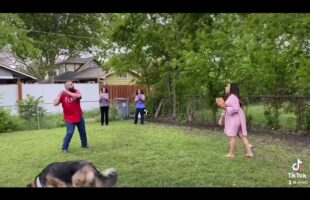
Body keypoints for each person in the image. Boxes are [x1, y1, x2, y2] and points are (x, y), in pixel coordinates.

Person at [216, 83, 254, 159]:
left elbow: (235, 108)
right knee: (242, 136)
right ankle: (249, 152)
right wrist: (222, 116)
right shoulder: (232, 97)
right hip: (237, 119)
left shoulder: (232, 97)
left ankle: (231, 154)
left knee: (233, 136)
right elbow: (226, 108)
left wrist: (224, 107)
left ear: (232, 89)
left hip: (235, 120)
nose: (226, 87)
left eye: (228, 86)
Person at [53, 81, 88, 154]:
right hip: (69, 118)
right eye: (71, 84)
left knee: (82, 131)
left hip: (78, 116)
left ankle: (84, 145)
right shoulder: (62, 95)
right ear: (67, 86)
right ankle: (64, 148)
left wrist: (67, 92)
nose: (73, 85)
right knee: (70, 132)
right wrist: (59, 95)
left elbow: (79, 96)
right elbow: (55, 104)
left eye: (73, 84)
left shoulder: (76, 91)